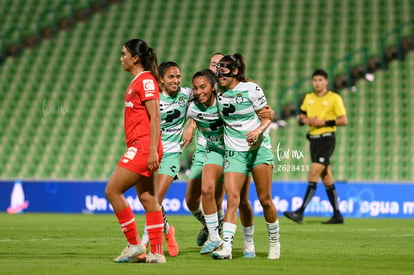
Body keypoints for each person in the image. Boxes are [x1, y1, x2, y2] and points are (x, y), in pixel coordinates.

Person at [212, 54, 280, 260]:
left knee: (265, 199)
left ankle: (274, 243)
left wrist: (258, 131)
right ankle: (227, 247)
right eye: (218, 69)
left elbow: (268, 116)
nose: (219, 73)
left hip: (258, 150)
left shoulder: (252, 89)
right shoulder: (217, 91)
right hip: (234, 152)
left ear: (234, 71)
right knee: (233, 199)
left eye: (223, 69)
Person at [104, 38, 165, 264]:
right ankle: (157, 252)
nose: (121, 58)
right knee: (148, 199)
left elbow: (155, 116)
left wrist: (151, 152)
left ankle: (134, 243)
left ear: (135, 58)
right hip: (139, 145)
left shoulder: (146, 81)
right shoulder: (137, 82)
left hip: (144, 146)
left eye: (124, 54)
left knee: (112, 191)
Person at [141, 61, 193, 257]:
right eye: (171, 77)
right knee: (153, 201)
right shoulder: (152, 97)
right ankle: (168, 231)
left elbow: (207, 98)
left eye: (178, 76)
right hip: (153, 153)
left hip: (172, 153)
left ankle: (143, 244)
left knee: (156, 199)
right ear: (161, 79)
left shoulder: (186, 94)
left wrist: (191, 126)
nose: (176, 80)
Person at [283, 69, 348, 224]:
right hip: (313, 140)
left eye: (320, 80)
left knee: (313, 174)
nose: (317, 83)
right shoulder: (308, 98)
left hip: (326, 139)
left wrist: (324, 122)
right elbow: (301, 117)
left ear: (326, 81)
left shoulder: (334, 98)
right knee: (327, 178)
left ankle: (300, 212)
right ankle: (337, 215)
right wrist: (307, 120)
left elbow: (343, 120)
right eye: (315, 80)